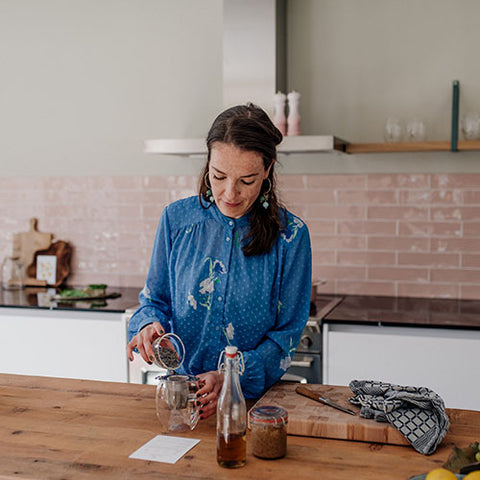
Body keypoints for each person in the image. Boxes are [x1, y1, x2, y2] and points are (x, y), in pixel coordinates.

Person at [127, 103, 312, 420]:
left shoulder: (291, 236)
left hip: (253, 411)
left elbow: (286, 336)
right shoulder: (176, 220)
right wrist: (147, 324)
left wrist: (231, 376)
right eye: (219, 176)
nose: (230, 193)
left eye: (247, 180)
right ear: (208, 164)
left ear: (267, 170)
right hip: (180, 404)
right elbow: (153, 300)